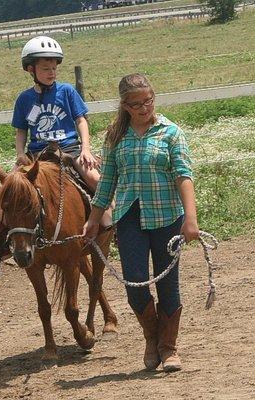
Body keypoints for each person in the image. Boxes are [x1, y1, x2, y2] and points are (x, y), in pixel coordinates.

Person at [83, 73, 199, 372]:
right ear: (124, 105)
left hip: (166, 217)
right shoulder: (116, 136)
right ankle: (152, 337)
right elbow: (107, 181)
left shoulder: (170, 132)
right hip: (129, 217)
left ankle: (169, 347)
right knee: (134, 282)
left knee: (167, 282)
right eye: (136, 104)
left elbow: (183, 175)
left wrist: (190, 218)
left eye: (148, 101)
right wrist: (94, 220)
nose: (144, 108)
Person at [0, 35, 112, 266]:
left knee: (97, 180)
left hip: (69, 150)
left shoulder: (67, 92)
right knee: (8, 188)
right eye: (45, 68)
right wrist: (20, 153)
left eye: (53, 68)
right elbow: (21, 130)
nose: (51, 72)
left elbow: (81, 120)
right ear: (30, 69)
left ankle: (111, 225)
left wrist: (86, 150)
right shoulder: (25, 99)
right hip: (37, 155)